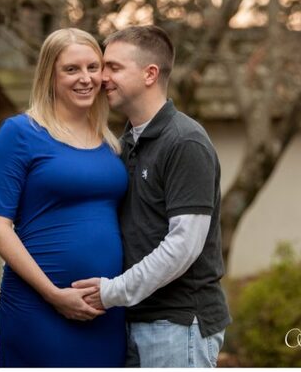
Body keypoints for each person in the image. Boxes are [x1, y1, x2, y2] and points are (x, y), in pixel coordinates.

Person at [72, 25, 232, 367]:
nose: (102, 78)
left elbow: (183, 245)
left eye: (113, 67)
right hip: (131, 318)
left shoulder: (184, 142)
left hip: (177, 324)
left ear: (150, 74)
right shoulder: (126, 142)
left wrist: (110, 292)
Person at [0, 28, 127, 367]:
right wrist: (54, 295)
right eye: (72, 69)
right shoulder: (20, 133)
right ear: (50, 75)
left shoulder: (110, 143)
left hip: (106, 309)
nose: (86, 79)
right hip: (39, 307)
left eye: (93, 67)